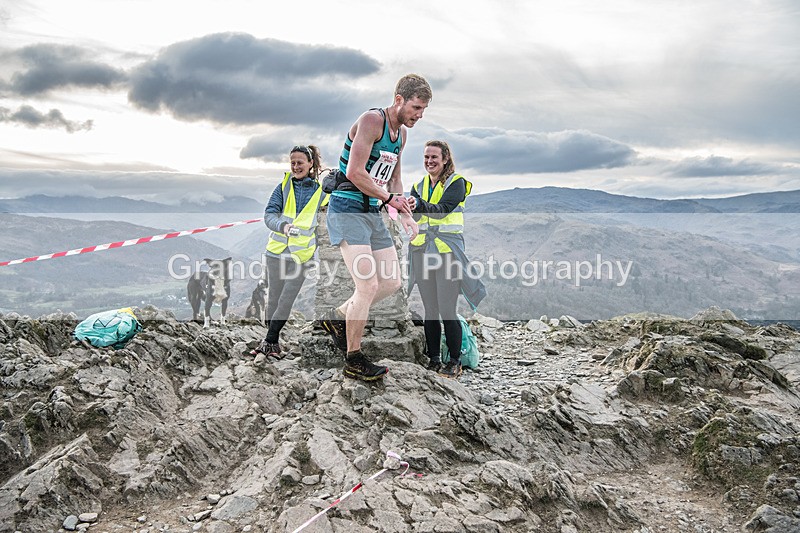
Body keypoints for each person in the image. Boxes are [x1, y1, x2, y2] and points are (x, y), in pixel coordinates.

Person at [319, 73, 432, 381]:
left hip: (372, 211)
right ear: (399, 100)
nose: (419, 116)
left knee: (391, 282)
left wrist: (405, 214)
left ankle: (337, 317)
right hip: (347, 207)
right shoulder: (371, 121)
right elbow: (355, 172)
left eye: (423, 110)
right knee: (367, 285)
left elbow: (394, 180)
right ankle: (353, 359)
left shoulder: (402, 136)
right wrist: (388, 199)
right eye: (416, 108)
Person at [408, 140, 486, 378]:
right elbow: (416, 214)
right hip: (422, 251)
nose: (429, 161)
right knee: (430, 309)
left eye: (434, 157)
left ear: (445, 159)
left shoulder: (457, 183)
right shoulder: (418, 185)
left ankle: (454, 361)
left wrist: (419, 204)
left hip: (447, 253)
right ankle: (433, 358)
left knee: (446, 309)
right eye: (426, 157)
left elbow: (442, 209)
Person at [251, 145, 328, 359]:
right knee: (274, 299)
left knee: (286, 299)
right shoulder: (283, 187)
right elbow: (269, 215)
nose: (295, 167)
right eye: (292, 162)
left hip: (301, 256)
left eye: (300, 162)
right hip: (276, 252)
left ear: (311, 164)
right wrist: (283, 226)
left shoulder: (321, 192)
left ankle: (269, 341)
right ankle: (271, 339)